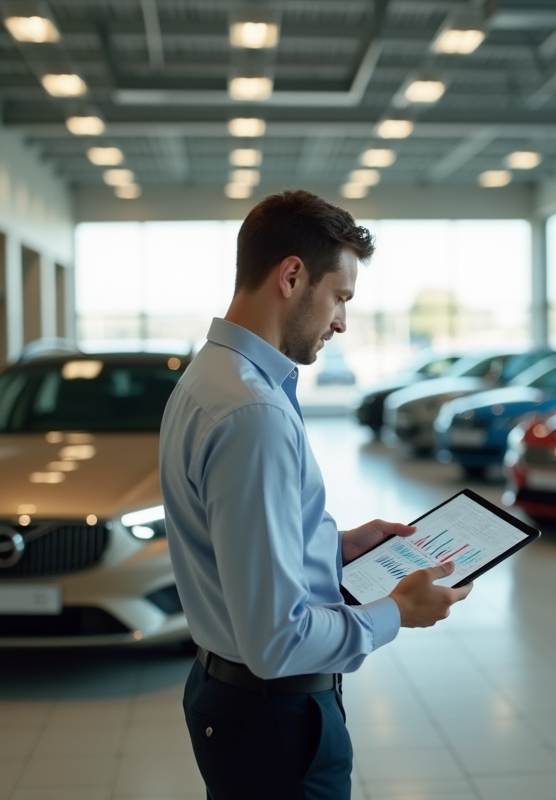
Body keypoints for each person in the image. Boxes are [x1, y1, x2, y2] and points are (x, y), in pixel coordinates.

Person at [159, 190, 473, 800]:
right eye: (340, 297)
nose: (342, 322)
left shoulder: (210, 376)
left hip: (230, 697)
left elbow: (235, 549)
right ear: (293, 276)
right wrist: (397, 613)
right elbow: (277, 641)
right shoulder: (253, 411)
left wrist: (335, 547)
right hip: (275, 719)